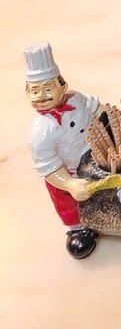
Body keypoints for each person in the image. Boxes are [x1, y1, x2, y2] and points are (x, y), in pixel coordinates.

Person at [24, 42, 101, 259]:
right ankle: (79, 229)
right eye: (34, 91)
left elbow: (96, 107)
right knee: (69, 202)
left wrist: (113, 118)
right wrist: (69, 183)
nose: (41, 96)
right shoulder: (39, 134)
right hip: (68, 172)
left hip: (97, 154)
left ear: (63, 86)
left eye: (47, 89)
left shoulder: (76, 99)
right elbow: (49, 168)